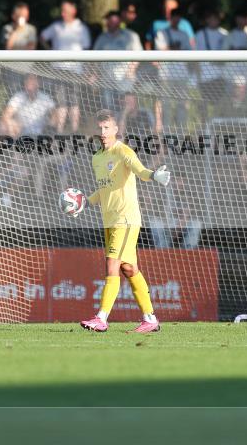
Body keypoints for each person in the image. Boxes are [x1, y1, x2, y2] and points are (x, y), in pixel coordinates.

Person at [77, 109, 172, 333]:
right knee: (129, 269)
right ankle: (150, 319)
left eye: (107, 128)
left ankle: (101, 318)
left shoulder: (123, 151)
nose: (103, 132)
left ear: (116, 129)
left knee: (112, 265)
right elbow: (104, 190)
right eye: (100, 128)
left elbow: (140, 171)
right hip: (110, 220)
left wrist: (154, 175)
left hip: (126, 219)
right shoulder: (97, 158)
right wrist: (85, 203)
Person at [40, 0, 91, 133]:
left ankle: (74, 132)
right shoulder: (56, 26)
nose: (63, 14)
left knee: (74, 102)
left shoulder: (81, 28)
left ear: (74, 11)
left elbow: (86, 50)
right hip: (58, 69)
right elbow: (42, 37)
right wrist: (50, 50)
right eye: (62, 11)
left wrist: (88, 70)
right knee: (60, 102)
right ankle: (59, 132)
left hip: (75, 70)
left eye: (66, 11)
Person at [92, 10, 142, 111]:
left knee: (126, 108)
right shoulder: (102, 38)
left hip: (126, 79)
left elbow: (138, 55)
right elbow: (94, 58)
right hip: (106, 79)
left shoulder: (131, 36)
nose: (112, 23)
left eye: (114, 21)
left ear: (120, 21)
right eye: (110, 21)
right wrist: (94, 74)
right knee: (108, 108)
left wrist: (131, 71)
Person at [153, 7, 194, 127]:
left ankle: (181, 129)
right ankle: (166, 129)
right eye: (174, 16)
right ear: (170, 18)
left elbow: (189, 52)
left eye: (178, 17)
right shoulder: (162, 33)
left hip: (182, 74)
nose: (176, 19)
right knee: (165, 103)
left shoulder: (184, 34)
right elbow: (159, 50)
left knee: (182, 103)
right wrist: (172, 48)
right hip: (165, 74)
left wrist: (176, 49)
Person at [0, 74, 56, 138]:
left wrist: (49, 125)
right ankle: (9, 143)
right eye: (27, 81)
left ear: (38, 84)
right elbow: (6, 115)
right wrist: (11, 125)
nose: (29, 86)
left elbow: (54, 113)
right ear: (24, 84)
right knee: (2, 125)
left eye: (33, 82)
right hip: (19, 132)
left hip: (40, 133)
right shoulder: (18, 96)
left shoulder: (45, 98)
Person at [195, 9, 229, 107]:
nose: (213, 21)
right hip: (204, 77)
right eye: (211, 18)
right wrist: (198, 77)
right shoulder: (199, 35)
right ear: (207, 19)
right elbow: (195, 58)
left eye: (216, 18)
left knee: (219, 106)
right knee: (205, 106)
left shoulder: (225, 34)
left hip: (221, 77)